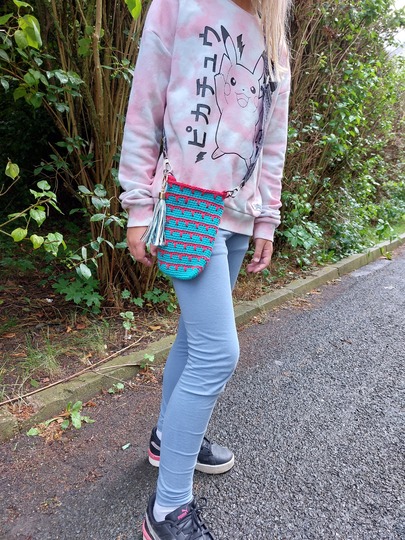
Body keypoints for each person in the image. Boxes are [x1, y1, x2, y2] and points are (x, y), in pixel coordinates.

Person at [118, 0, 291, 538]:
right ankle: (167, 510)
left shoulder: (273, 32)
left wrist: (266, 218)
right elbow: (145, 103)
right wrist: (137, 205)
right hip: (187, 204)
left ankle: (168, 440)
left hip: (239, 213)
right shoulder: (180, 4)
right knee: (218, 353)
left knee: (195, 341)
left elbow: (273, 138)